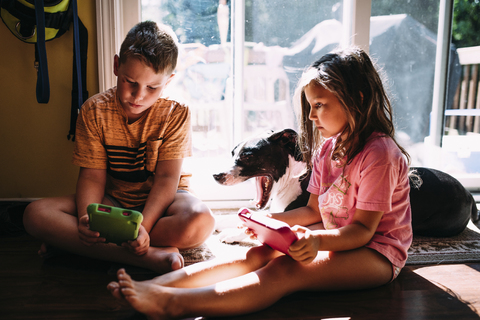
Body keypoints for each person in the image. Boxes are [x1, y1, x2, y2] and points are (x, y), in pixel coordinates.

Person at [107, 46, 413, 319]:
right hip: (338, 237)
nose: (311, 117)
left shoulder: (380, 154)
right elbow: (313, 212)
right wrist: (269, 223)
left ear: (356, 99)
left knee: (286, 269)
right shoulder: (327, 149)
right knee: (258, 252)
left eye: (319, 105)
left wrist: (317, 241)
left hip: (378, 254)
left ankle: (175, 304)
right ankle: (156, 286)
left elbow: (362, 231)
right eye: (309, 107)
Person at [22, 21, 215, 274]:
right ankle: (145, 257)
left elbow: (167, 179)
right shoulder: (94, 110)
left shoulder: (175, 112)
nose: (138, 96)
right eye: (130, 82)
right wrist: (87, 219)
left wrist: (143, 227)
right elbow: (91, 176)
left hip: (163, 203)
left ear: (168, 81)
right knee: (35, 214)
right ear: (116, 66)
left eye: (152, 88)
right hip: (112, 201)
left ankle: (78, 246)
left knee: (201, 222)